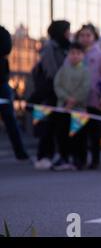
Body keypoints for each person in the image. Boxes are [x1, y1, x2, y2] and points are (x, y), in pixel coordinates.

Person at [28, 20, 71, 169]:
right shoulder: (50, 48)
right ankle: (43, 156)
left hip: (62, 93)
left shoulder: (66, 46)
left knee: (58, 127)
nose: (69, 33)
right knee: (47, 126)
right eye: (66, 30)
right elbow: (52, 72)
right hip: (51, 93)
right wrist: (62, 85)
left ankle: (56, 155)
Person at [75, 24, 101, 170]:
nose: (85, 38)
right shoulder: (74, 53)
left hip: (94, 99)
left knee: (94, 131)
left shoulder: (100, 54)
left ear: (94, 37)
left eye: (88, 35)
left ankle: (95, 159)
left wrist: (100, 92)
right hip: (78, 100)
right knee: (79, 130)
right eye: (82, 35)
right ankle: (80, 159)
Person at [52, 42, 90, 171]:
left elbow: (85, 88)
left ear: (83, 56)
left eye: (78, 53)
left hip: (79, 110)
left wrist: (74, 100)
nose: (75, 56)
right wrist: (66, 98)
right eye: (72, 53)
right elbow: (57, 85)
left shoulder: (85, 71)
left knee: (78, 135)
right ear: (68, 55)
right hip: (63, 108)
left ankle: (79, 159)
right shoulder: (63, 70)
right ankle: (64, 157)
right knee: (62, 134)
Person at [0, 25, 29, 161]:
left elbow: (6, 48)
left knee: (10, 119)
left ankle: (20, 152)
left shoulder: (2, 32)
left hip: (1, 83)